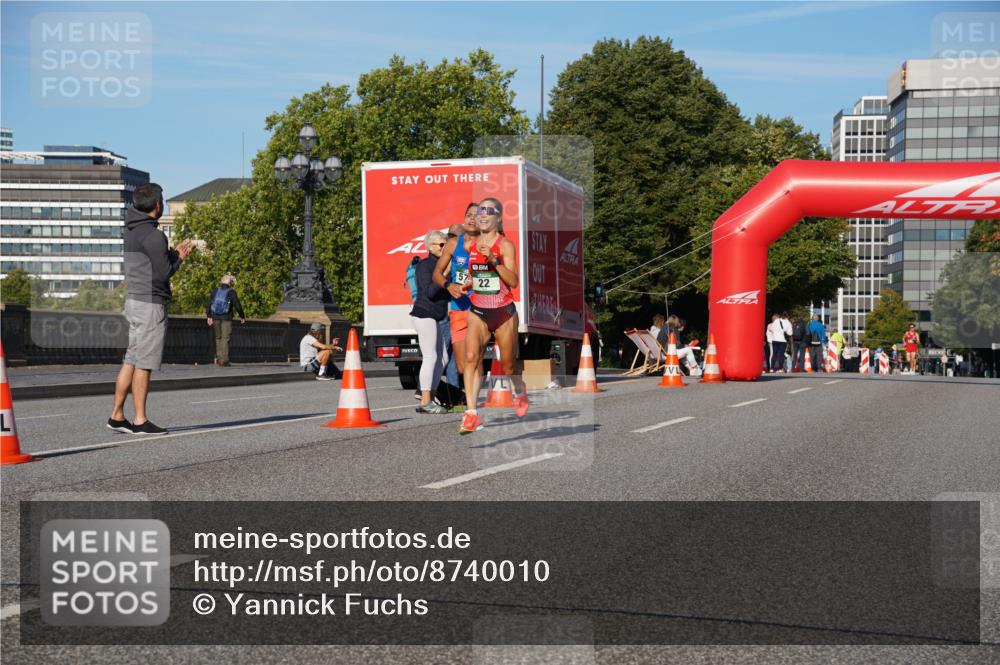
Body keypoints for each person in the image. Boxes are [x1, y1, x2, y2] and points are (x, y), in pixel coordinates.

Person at [108, 183, 196, 436]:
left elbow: (149, 264)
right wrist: (178, 256)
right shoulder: (155, 235)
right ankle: (140, 420)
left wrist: (169, 254)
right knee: (144, 363)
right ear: (157, 205)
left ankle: (116, 415)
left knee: (131, 358)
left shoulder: (132, 230)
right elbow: (164, 273)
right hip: (150, 304)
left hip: (133, 300)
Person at [457, 198, 528, 434]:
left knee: (508, 368)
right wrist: (467, 284)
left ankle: (520, 392)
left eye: (489, 212)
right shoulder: (471, 246)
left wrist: (494, 260)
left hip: (503, 312)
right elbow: (475, 275)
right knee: (470, 357)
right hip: (478, 310)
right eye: (480, 212)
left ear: (498, 217)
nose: (483, 215)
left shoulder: (505, 245)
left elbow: (513, 281)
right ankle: (471, 414)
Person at [435, 202, 481, 393]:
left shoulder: (489, 244)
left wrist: (477, 281)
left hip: (480, 310)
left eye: (476, 216)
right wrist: (448, 285)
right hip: (458, 308)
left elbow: (500, 276)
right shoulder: (454, 244)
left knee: (474, 357)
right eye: (468, 214)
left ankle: (473, 406)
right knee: (462, 365)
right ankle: (472, 401)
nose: (471, 218)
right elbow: (437, 273)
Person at [411, 230, 451, 413]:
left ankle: (432, 396)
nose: (444, 247)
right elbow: (430, 292)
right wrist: (445, 273)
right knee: (430, 356)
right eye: (441, 244)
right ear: (430, 246)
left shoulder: (443, 265)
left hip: (438, 315)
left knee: (443, 359)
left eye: (446, 244)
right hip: (424, 313)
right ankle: (425, 400)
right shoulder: (425, 265)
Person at [206, 272, 246, 367]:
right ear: (230, 282)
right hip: (226, 318)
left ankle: (219, 359)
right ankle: (225, 360)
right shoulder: (231, 292)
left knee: (218, 337)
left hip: (215, 317)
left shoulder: (216, 290)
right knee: (225, 338)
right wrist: (242, 316)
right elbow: (237, 305)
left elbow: (209, 304)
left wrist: (209, 316)